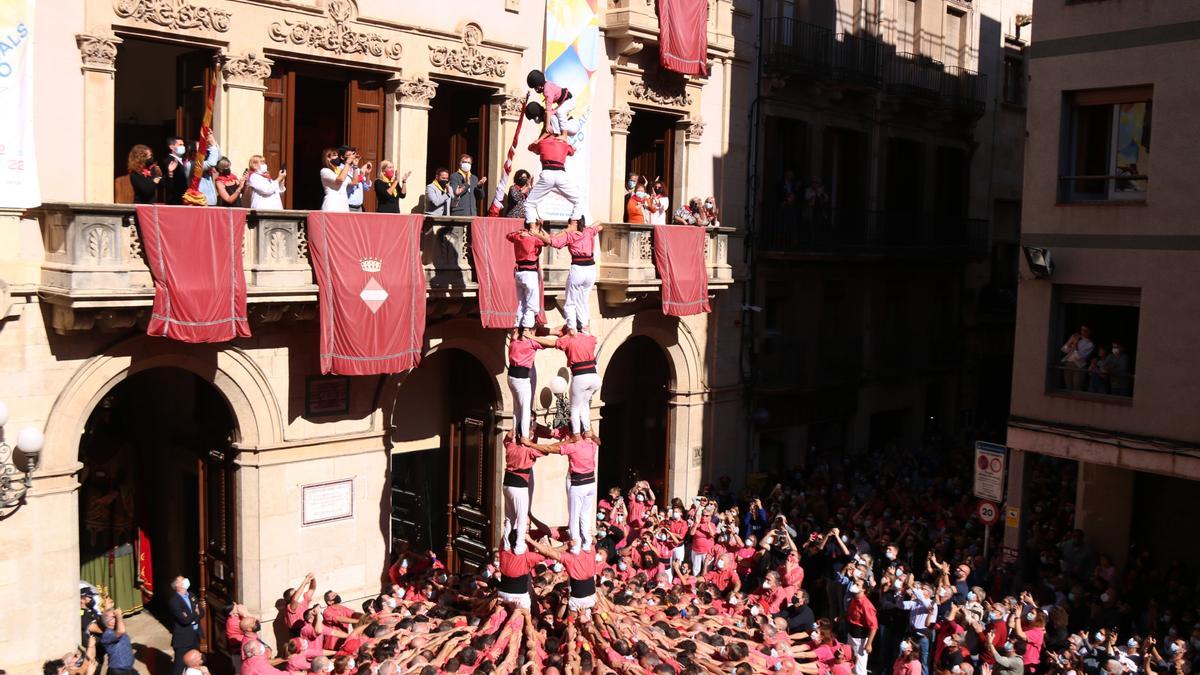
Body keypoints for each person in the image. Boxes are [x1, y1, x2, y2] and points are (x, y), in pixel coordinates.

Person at [524, 430, 599, 553]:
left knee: (574, 516)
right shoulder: (591, 443)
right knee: (583, 514)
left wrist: (530, 444)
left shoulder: (573, 447)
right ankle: (584, 543)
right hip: (590, 483)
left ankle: (576, 546)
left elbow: (550, 448)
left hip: (578, 484)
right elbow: (598, 440)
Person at [532, 327, 599, 434]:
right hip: (595, 378)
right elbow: (595, 340)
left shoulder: (569, 338)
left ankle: (576, 434)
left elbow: (550, 343)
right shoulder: (588, 337)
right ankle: (587, 431)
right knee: (584, 405)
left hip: (581, 377)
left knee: (574, 408)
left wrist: (531, 337)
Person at [549, 219, 604, 332]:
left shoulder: (571, 235)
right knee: (583, 300)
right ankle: (585, 327)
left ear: (574, 224)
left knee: (570, 301)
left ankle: (572, 328)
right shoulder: (588, 231)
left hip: (578, 269)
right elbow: (600, 225)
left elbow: (554, 242)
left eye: (570, 223)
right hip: (590, 269)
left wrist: (565, 230)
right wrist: (588, 227)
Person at [523, 130, 583, 227]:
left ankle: (533, 228)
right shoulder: (563, 144)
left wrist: (539, 139)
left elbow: (530, 148)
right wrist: (565, 140)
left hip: (547, 174)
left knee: (529, 204)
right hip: (560, 175)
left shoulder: (542, 142)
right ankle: (573, 224)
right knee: (579, 200)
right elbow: (572, 151)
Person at [527, 534, 598, 616]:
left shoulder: (569, 558)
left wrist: (530, 540)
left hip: (578, 599)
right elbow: (594, 540)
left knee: (572, 623)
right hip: (591, 596)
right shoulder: (591, 552)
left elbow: (548, 552)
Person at [502, 429, 545, 551]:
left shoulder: (510, 445)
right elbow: (547, 449)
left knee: (509, 517)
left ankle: (506, 544)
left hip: (507, 485)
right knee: (521, 517)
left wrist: (515, 429)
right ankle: (519, 546)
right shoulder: (530, 450)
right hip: (519, 487)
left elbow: (506, 437)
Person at [505, 222, 551, 335]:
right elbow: (548, 241)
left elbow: (508, 236)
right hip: (530, 273)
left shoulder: (517, 236)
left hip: (519, 273)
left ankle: (517, 328)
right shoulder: (534, 239)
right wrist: (541, 229)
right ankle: (526, 329)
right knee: (532, 303)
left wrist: (521, 231)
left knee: (521, 302)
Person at [507, 330, 543, 440]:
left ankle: (514, 435)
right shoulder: (531, 344)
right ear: (530, 331)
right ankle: (525, 437)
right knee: (525, 410)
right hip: (521, 379)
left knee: (517, 409)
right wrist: (533, 337)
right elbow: (549, 344)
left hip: (511, 377)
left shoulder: (513, 343)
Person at [167, 575, 203, 675]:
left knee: (195, 665)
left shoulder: (191, 595)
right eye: (182, 580)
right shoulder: (174, 601)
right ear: (177, 585)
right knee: (179, 666)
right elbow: (185, 620)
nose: (185, 580)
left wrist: (193, 617)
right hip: (183, 640)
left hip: (195, 636)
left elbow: (202, 611)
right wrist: (195, 613)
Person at [527, 69, 578, 137]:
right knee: (555, 113)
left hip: (570, 100)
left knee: (559, 112)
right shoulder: (547, 86)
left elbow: (548, 109)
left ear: (540, 84)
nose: (536, 90)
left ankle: (564, 136)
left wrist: (548, 125)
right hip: (565, 102)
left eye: (536, 87)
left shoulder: (547, 90)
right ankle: (560, 134)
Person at [846, 582, 878, 675]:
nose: (854, 586)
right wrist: (841, 617)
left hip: (860, 638)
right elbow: (850, 613)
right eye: (854, 583)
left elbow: (873, 626)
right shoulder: (854, 599)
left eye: (857, 585)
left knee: (859, 666)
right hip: (851, 634)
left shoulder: (867, 605)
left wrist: (869, 644)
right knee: (850, 660)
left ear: (863, 589)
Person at [95, 607, 135, 675]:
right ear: (109, 622)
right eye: (114, 617)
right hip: (117, 671)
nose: (117, 617)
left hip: (128, 669)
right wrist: (119, 616)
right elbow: (121, 631)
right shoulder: (107, 634)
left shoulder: (117, 629)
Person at [1060, 325, 1093, 391]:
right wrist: (1070, 341)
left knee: (1076, 388)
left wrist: (1075, 344)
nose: (1082, 332)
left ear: (1089, 332)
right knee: (1068, 387)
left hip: (1078, 366)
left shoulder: (1090, 344)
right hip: (1068, 363)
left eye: (1085, 331)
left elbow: (1079, 357)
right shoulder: (1076, 338)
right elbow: (1064, 349)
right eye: (1081, 330)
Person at [319, 147, 353, 213]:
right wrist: (348, 163)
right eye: (334, 155)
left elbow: (354, 182)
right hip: (332, 205)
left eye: (337, 155)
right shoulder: (325, 171)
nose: (337, 157)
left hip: (343, 205)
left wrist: (355, 166)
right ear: (328, 158)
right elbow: (340, 179)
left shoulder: (340, 171)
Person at [160, 136, 192, 205]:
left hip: (186, 199)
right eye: (180, 145)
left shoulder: (183, 160)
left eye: (183, 145)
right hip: (175, 200)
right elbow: (170, 182)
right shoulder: (169, 161)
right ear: (171, 147)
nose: (183, 147)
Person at [341, 147, 372, 212]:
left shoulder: (357, 169)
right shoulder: (340, 169)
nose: (352, 157)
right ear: (342, 157)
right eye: (349, 155)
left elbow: (366, 188)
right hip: (347, 206)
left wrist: (368, 174)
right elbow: (350, 183)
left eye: (353, 154)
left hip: (359, 207)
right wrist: (361, 175)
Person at [196, 132, 222, 207]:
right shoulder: (191, 164)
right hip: (200, 203)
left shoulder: (205, 162)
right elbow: (211, 163)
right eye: (199, 149)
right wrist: (213, 145)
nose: (203, 151)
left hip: (210, 203)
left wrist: (212, 139)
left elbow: (218, 157)